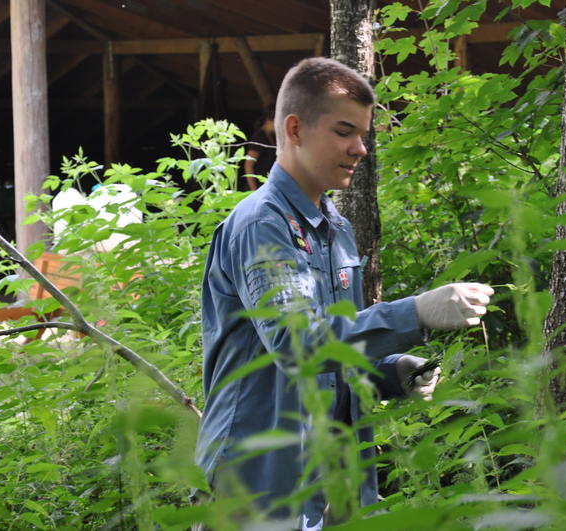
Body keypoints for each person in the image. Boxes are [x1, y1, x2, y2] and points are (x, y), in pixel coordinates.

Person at [195, 57, 493, 529]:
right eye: (343, 131)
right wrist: (414, 313)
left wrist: (390, 372)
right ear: (294, 128)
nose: (360, 149)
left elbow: (332, 353)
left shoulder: (334, 227)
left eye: (363, 134)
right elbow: (299, 346)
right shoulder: (263, 226)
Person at [243, 105, 276, 191]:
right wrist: (254, 190)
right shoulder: (259, 137)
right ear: (270, 120)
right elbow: (248, 164)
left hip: (266, 186)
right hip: (257, 187)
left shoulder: (272, 136)